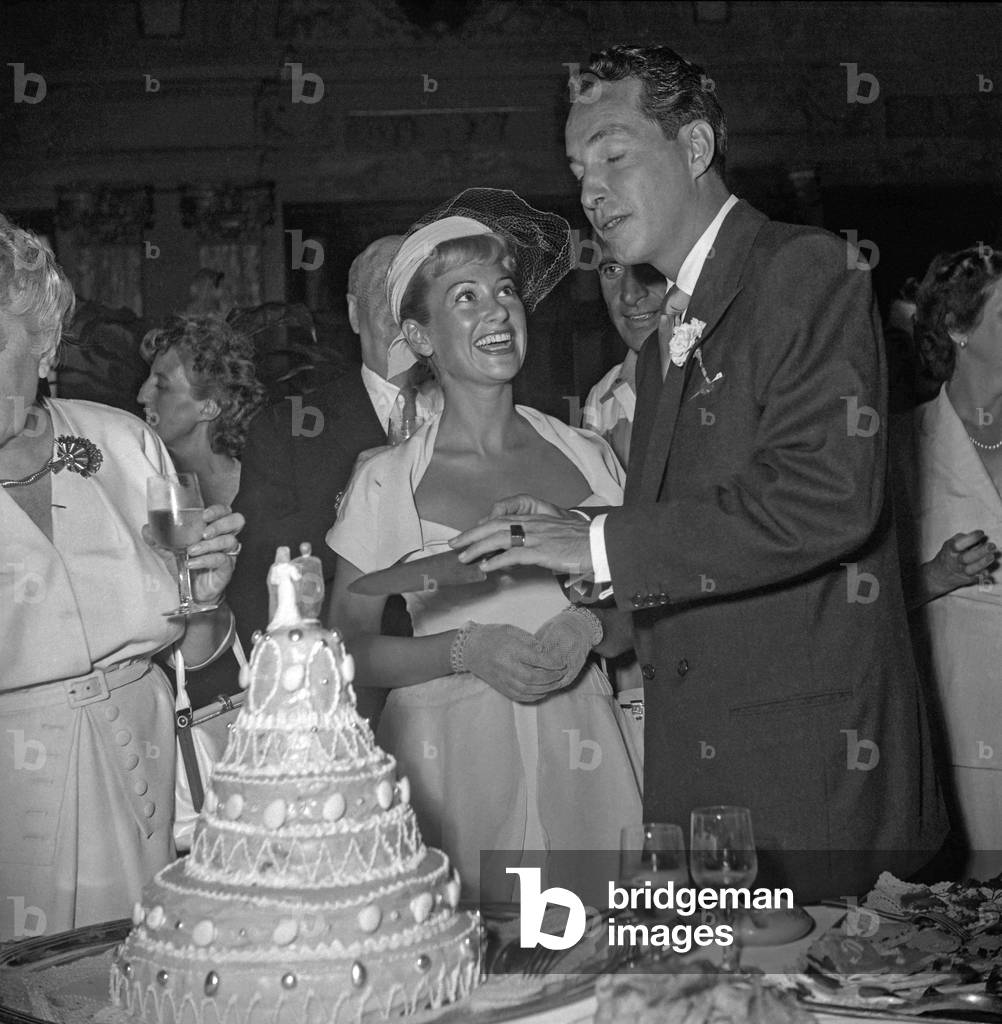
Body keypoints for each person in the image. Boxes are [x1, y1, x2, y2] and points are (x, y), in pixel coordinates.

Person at [453, 46, 947, 901]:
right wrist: (581, 566)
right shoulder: (663, 344)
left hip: (812, 780)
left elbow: (826, 499)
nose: (592, 194)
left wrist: (601, 540)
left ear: (693, 148)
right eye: (577, 171)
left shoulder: (806, 269)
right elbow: (704, 530)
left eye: (613, 155)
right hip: (705, 785)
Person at [326, 190, 642, 903]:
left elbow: (647, 610)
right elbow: (345, 653)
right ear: (421, 337)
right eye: (464, 298)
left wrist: (589, 625)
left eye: (504, 292)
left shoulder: (591, 456)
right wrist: (467, 651)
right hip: (450, 766)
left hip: (587, 748)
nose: (497, 311)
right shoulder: (387, 479)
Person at [0, 214, 243, 939]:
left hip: (152, 773)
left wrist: (205, 599)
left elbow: (193, 647)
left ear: (43, 344)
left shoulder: (127, 444)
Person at [227, 236, 441, 723]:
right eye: (385, 296)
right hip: (348, 702)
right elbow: (267, 576)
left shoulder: (487, 416)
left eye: (416, 295)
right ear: (352, 312)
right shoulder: (289, 429)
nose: (403, 313)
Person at [893, 246, 1002, 876]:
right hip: (964, 730)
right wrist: (936, 575)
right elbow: (855, 599)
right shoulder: (903, 447)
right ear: (958, 329)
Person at [138, 315, 267, 509]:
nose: (142, 396)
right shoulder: (138, 477)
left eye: (161, 386)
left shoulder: (262, 492)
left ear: (208, 408)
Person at [582, 242, 667, 468]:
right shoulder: (601, 400)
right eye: (612, 269)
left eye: (647, 265)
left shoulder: (727, 377)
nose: (630, 294)